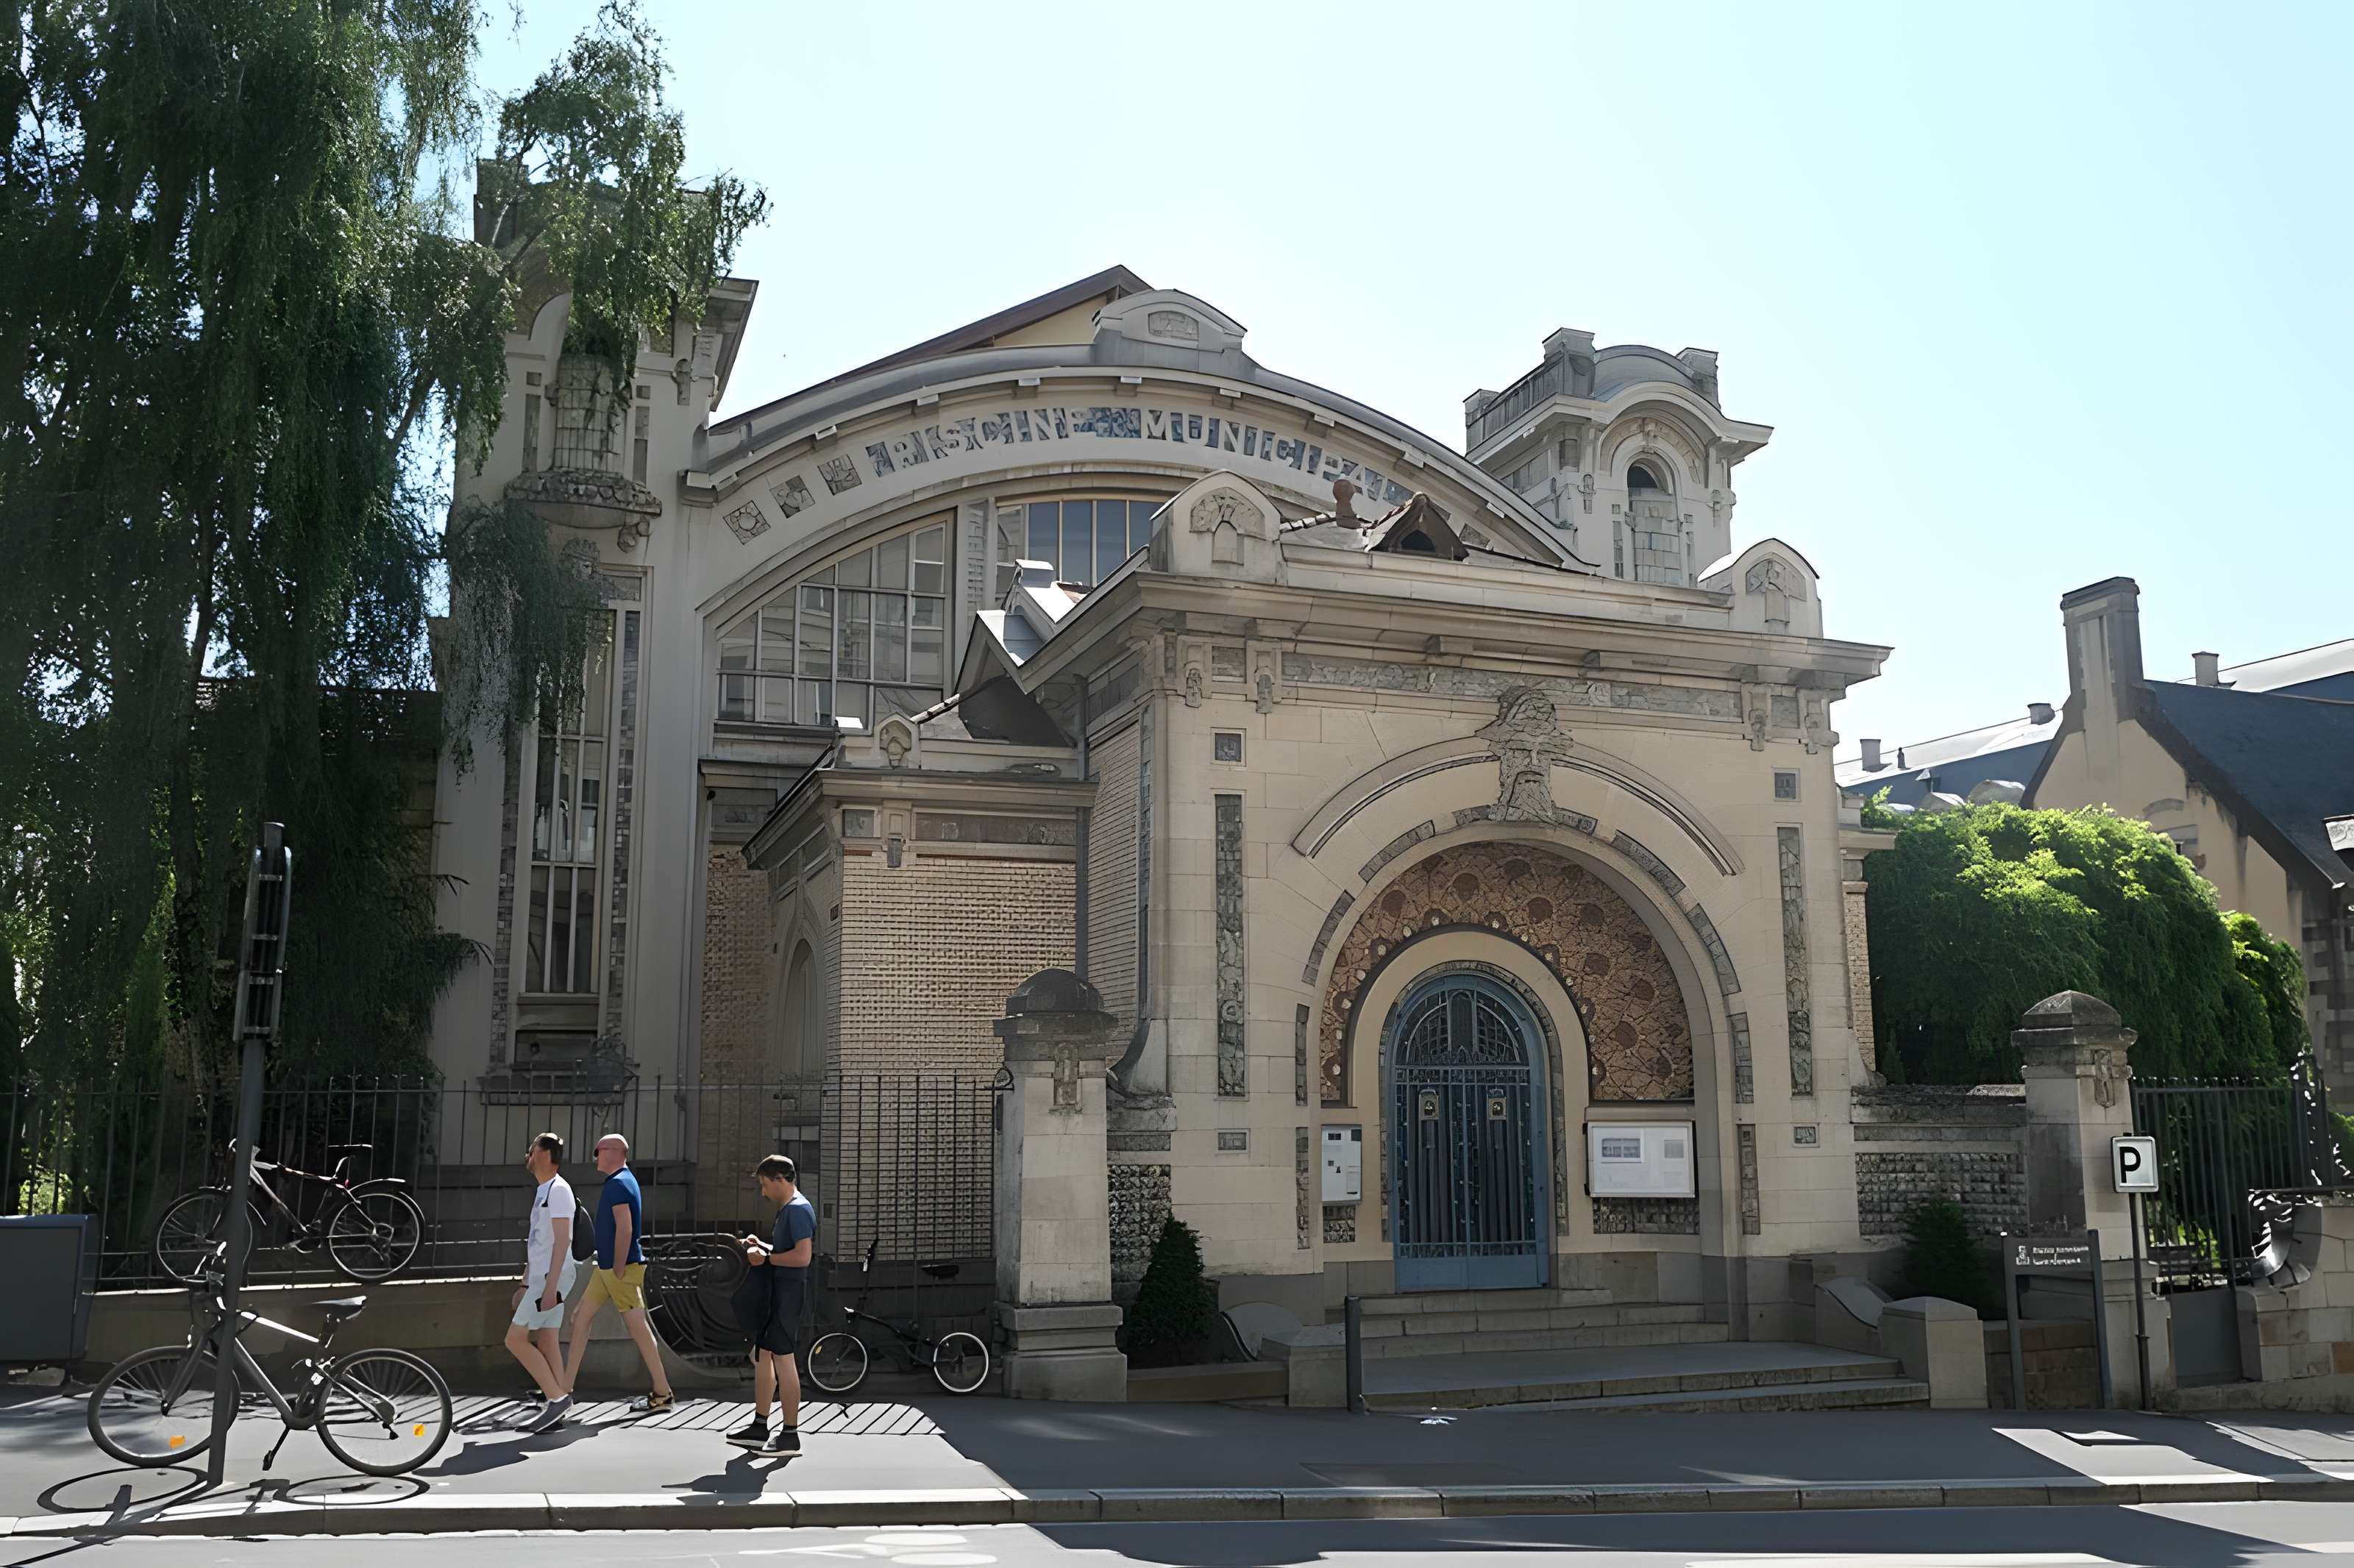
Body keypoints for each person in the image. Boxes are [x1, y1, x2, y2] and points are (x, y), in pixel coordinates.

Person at [561, 1133, 676, 1412]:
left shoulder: (619, 1184)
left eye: (597, 1151)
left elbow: (625, 1228)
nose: (595, 1157)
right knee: (581, 1319)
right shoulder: (623, 1181)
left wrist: (619, 1265)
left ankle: (663, 1392)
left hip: (617, 1269)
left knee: (638, 1327)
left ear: (611, 1151)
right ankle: (563, 1390)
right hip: (610, 1267)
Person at [727, 1153, 814, 1454]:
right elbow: (787, 1250)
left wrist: (766, 1257)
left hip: (787, 1293)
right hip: (779, 1290)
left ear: (780, 1180)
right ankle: (759, 1426)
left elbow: (803, 1257)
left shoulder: (798, 1210)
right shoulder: (790, 1209)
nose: (763, 1192)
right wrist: (761, 1245)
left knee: (783, 1359)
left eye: (765, 1185)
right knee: (764, 1356)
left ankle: (790, 1434)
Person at [503, 1131, 578, 1432]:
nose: (528, 1155)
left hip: (552, 1276)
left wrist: (549, 1286)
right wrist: (525, 1283)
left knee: (515, 1340)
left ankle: (557, 1399)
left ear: (544, 1154)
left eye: (532, 1149)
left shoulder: (558, 1190)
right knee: (547, 1339)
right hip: (544, 1276)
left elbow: (563, 1241)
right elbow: (538, 1243)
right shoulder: (545, 1189)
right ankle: (559, 1402)